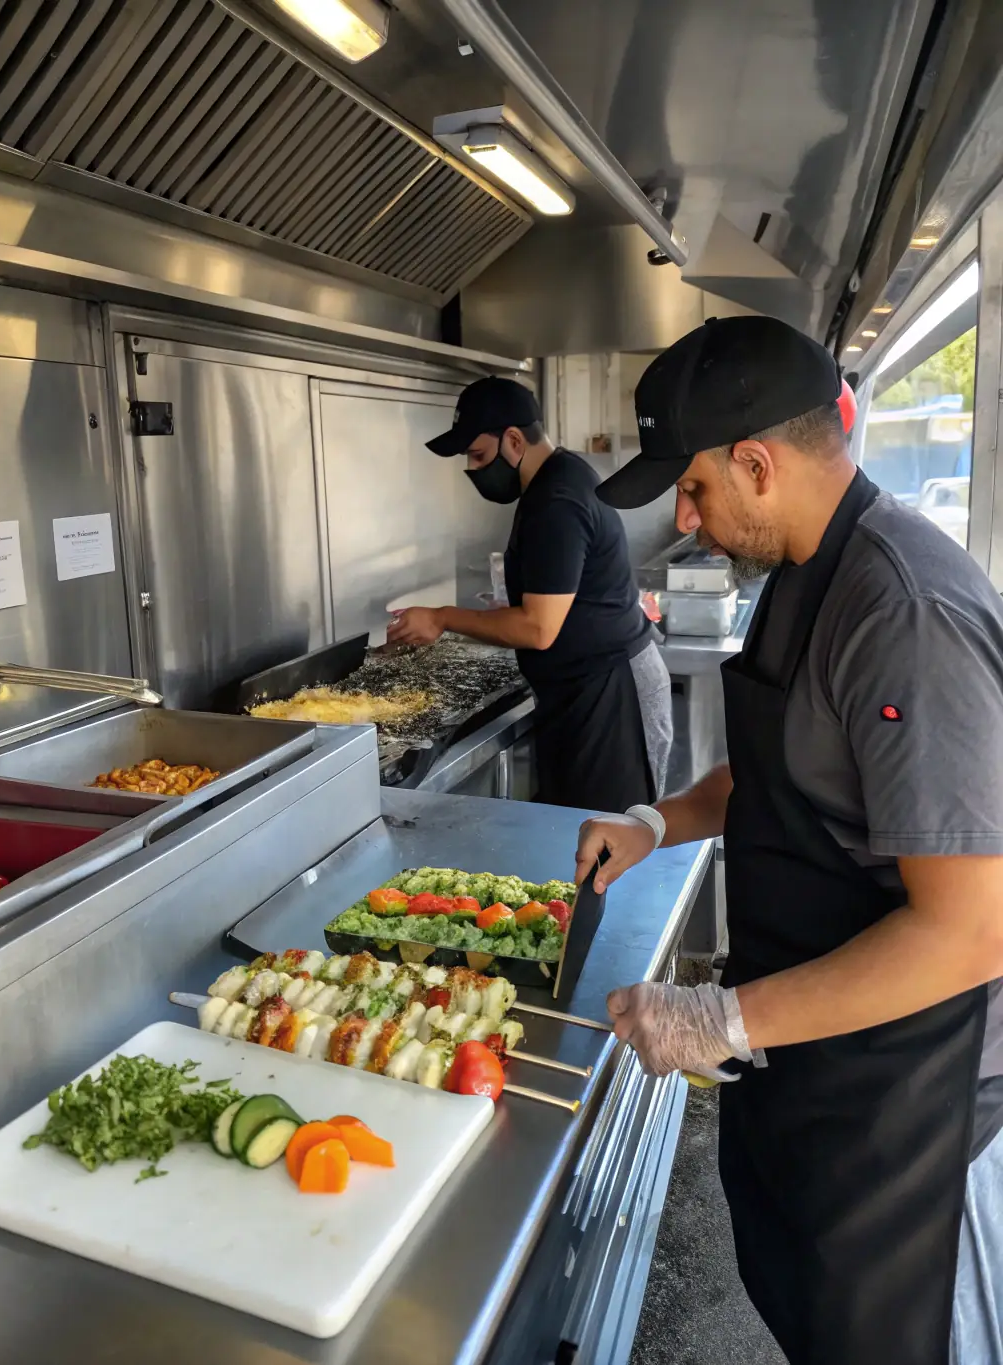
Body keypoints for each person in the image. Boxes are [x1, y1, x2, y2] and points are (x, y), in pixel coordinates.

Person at [576, 314, 1003, 1365]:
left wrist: (718, 1017)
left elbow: (970, 933)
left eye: (694, 490)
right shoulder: (805, 572)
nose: (685, 519)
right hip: (822, 1055)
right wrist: (658, 821)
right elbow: (785, 777)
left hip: (924, 1102)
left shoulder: (901, 613)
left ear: (757, 463)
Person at [387, 376, 671, 811]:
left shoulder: (557, 499)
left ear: (514, 440)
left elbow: (538, 628)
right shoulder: (558, 479)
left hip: (612, 701)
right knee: (576, 837)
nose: (474, 469)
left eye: (479, 455)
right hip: (587, 692)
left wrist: (442, 617)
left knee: (606, 846)